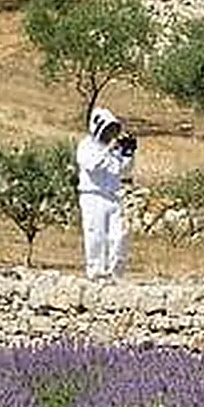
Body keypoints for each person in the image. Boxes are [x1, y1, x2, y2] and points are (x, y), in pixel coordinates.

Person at [77, 105, 137, 280]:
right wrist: (109, 149)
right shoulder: (86, 146)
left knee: (119, 236)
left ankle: (116, 274)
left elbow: (124, 171)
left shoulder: (114, 148)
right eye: (107, 129)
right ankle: (96, 274)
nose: (110, 134)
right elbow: (92, 165)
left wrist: (129, 153)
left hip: (113, 196)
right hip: (92, 196)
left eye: (112, 130)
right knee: (96, 236)